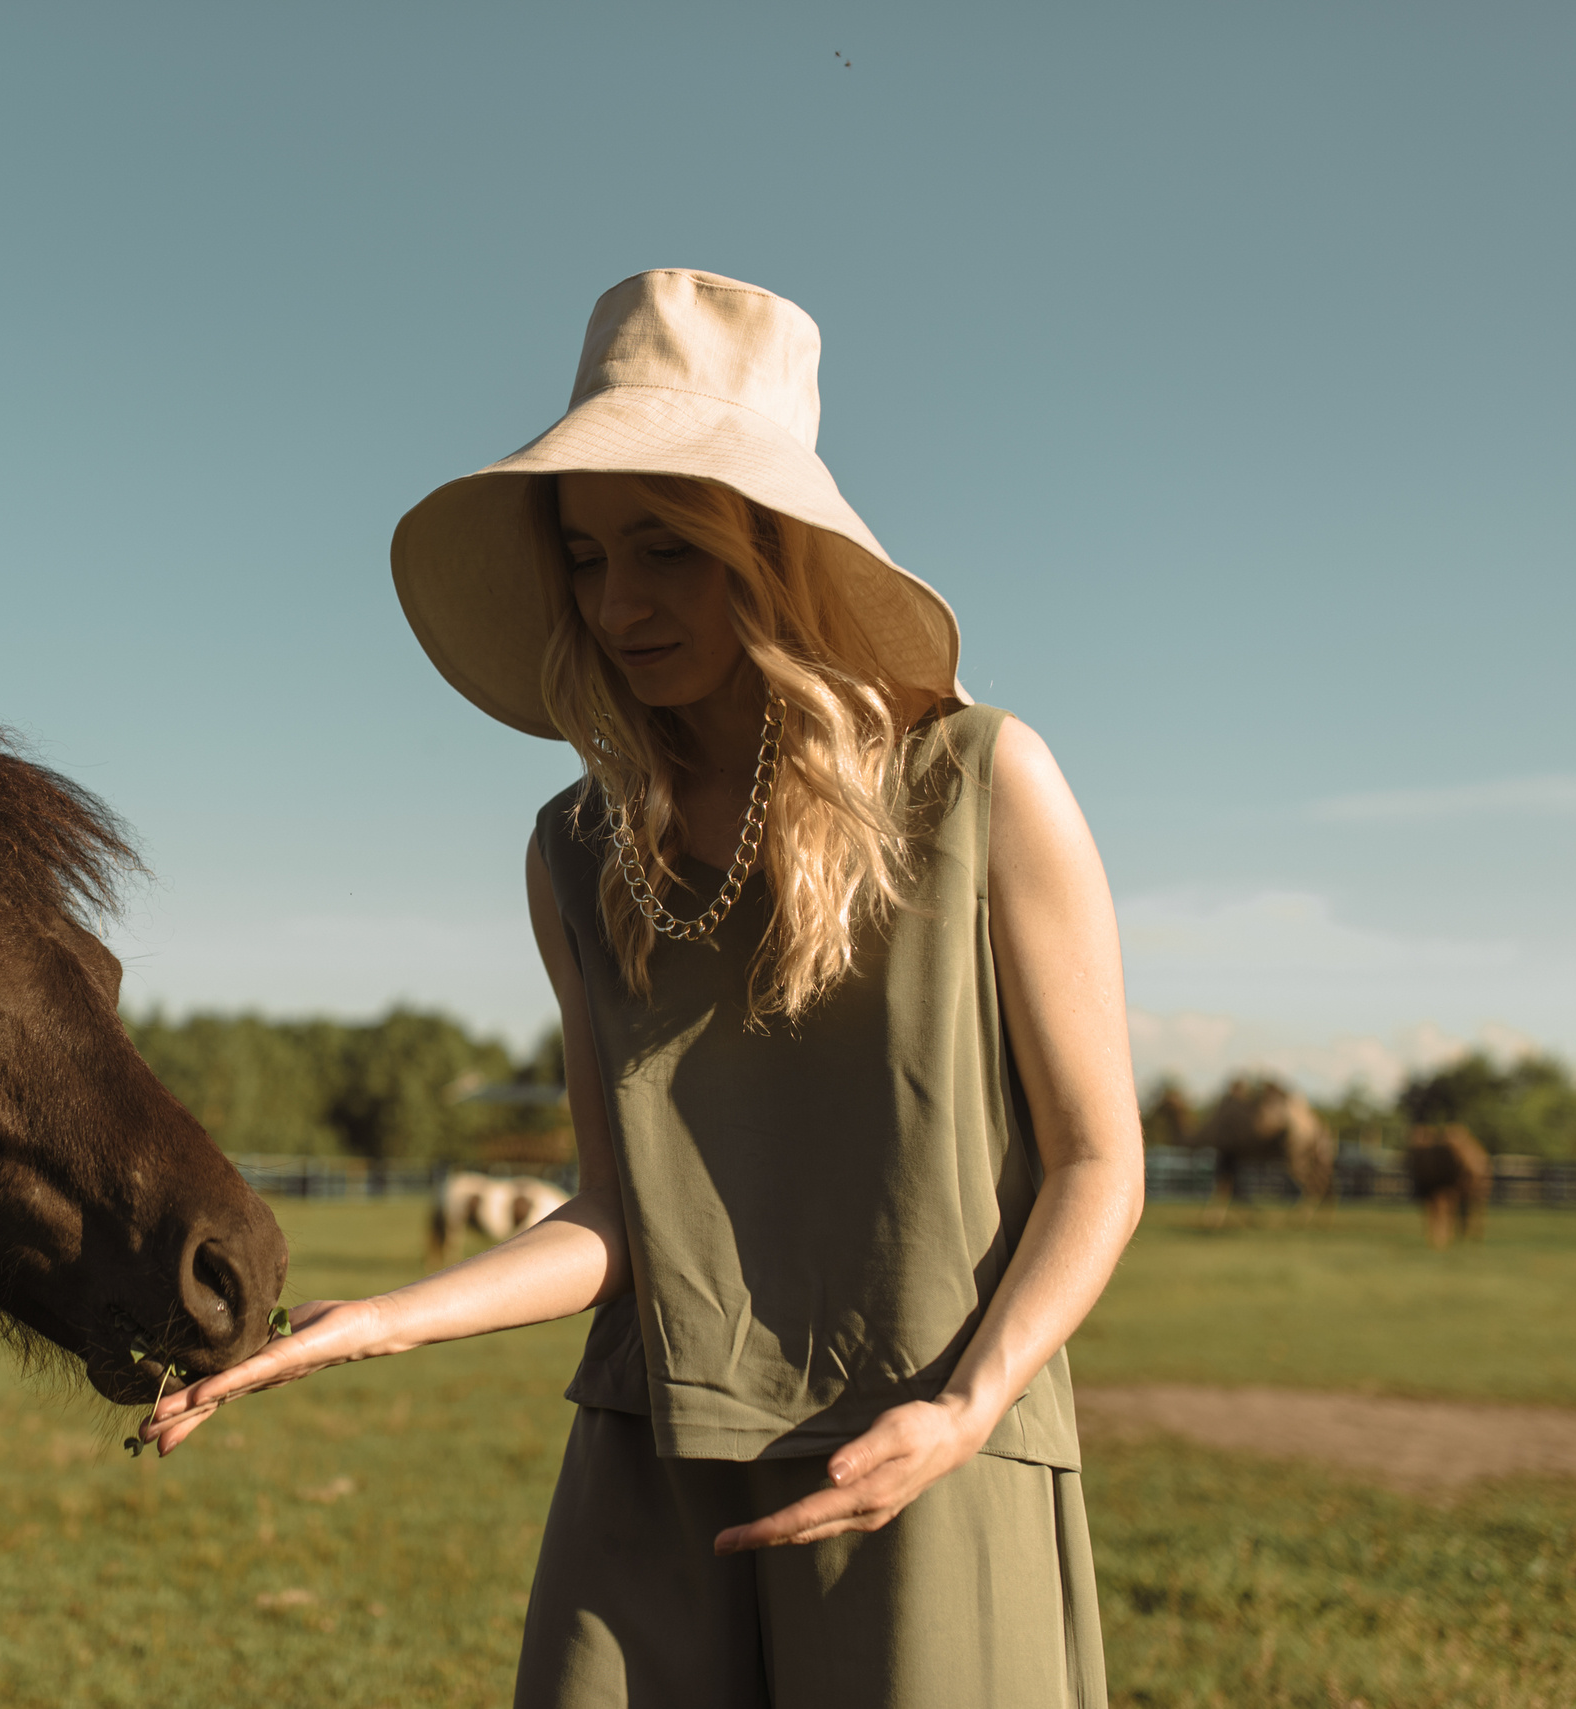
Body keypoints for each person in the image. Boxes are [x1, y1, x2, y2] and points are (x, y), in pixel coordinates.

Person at [141, 269, 1143, 1707]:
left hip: (929, 1453)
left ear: (771, 550)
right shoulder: (574, 853)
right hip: (649, 1450)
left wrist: (969, 1406)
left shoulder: (983, 784)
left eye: (667, 548)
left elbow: (1101, 1161)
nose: (618, 602)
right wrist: (377, 1321)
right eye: (589, 555)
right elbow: (618, 1213)